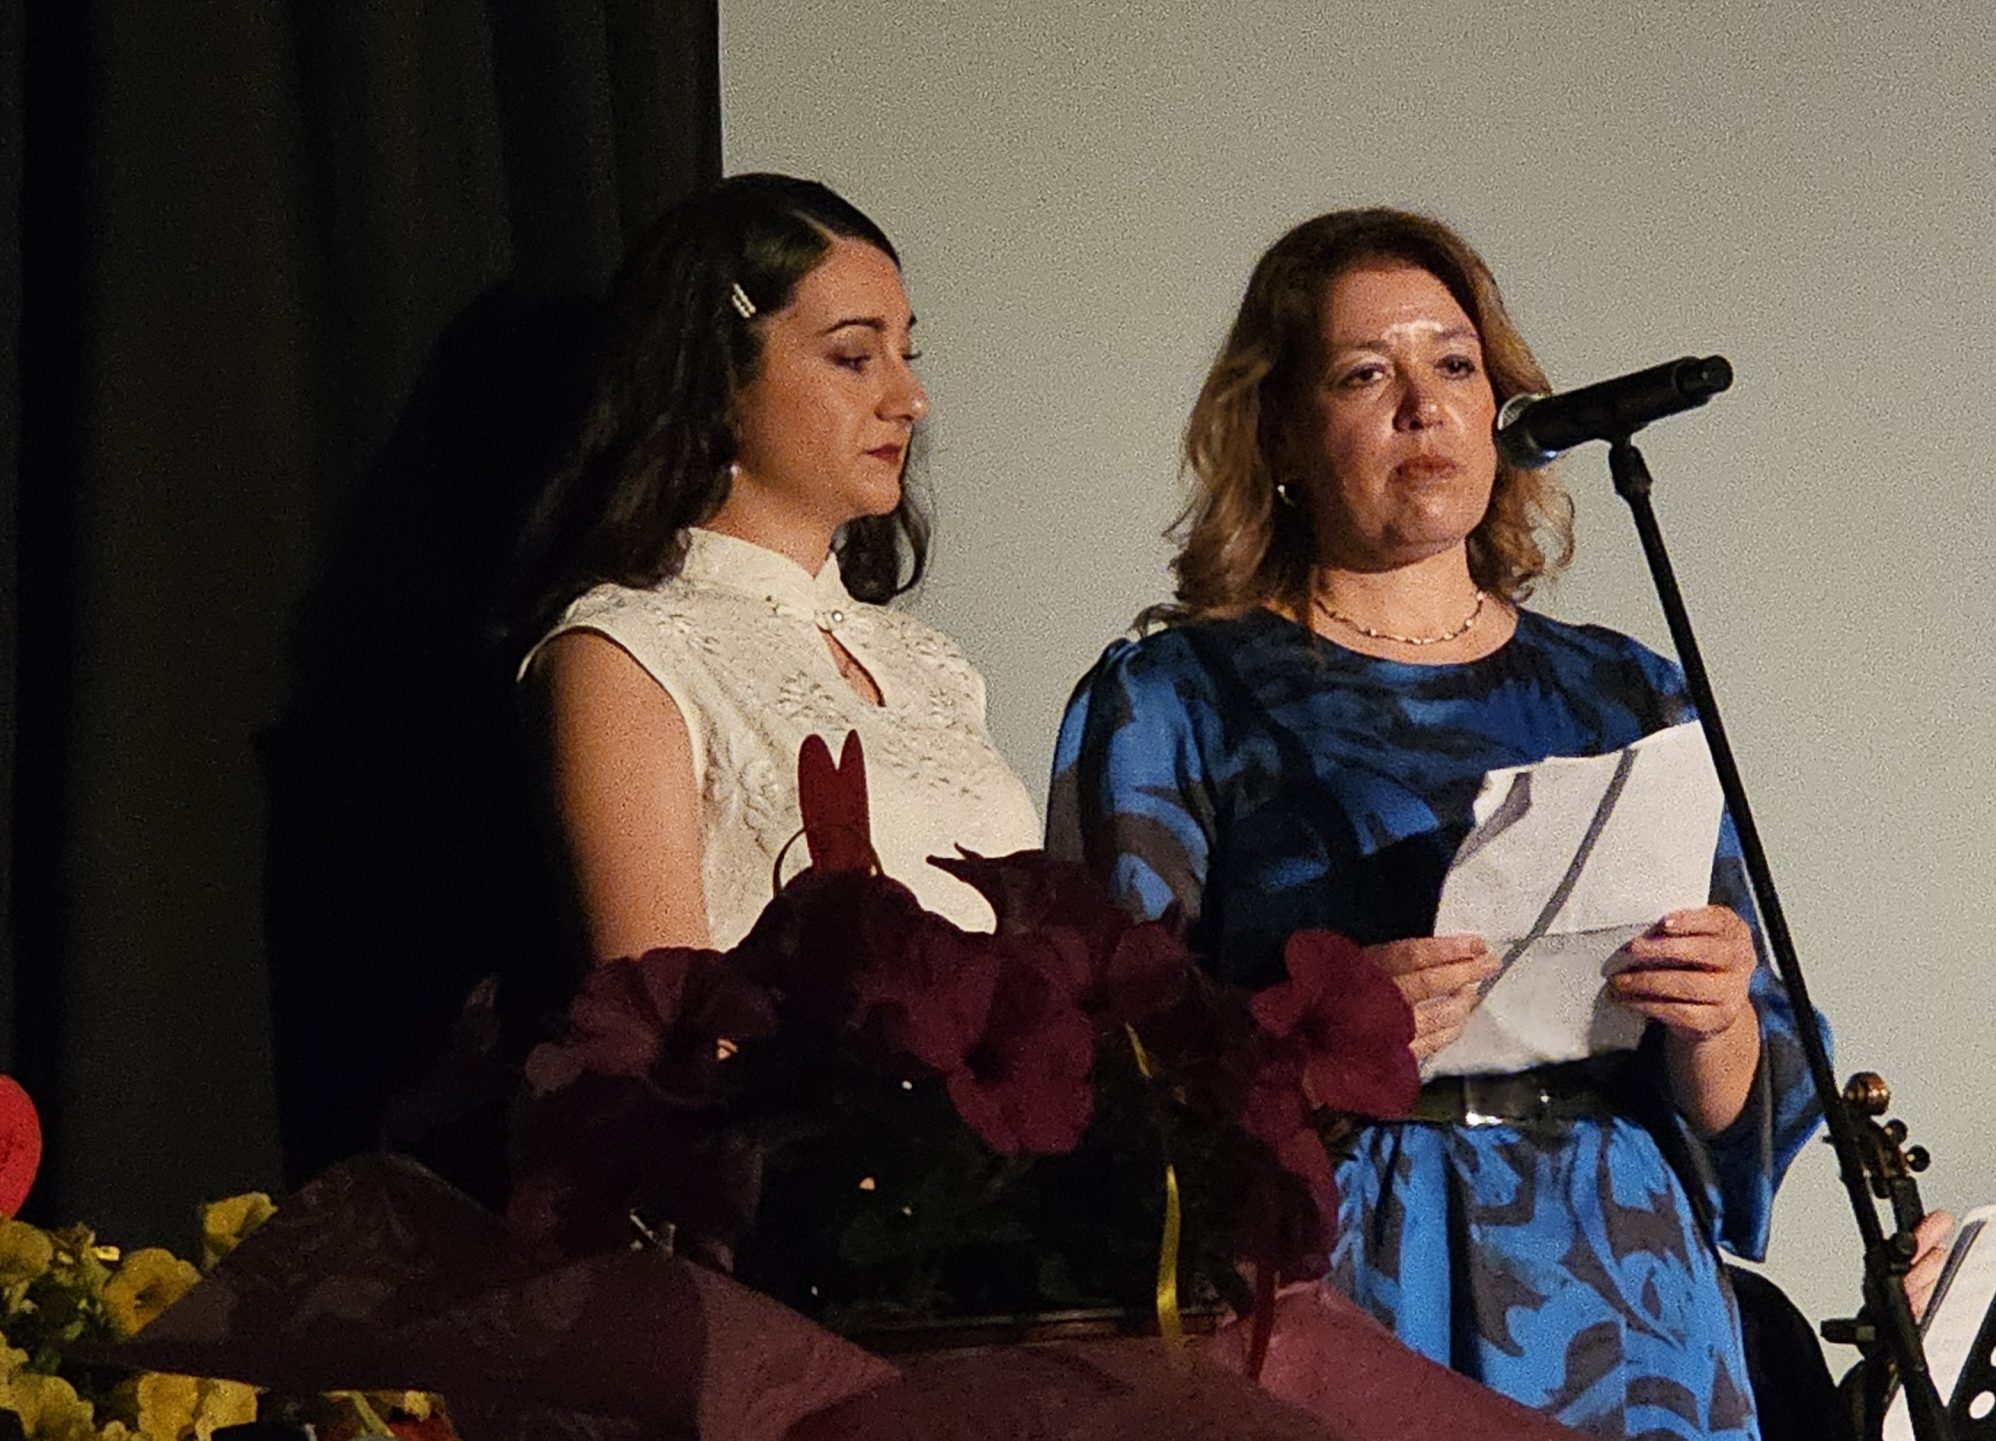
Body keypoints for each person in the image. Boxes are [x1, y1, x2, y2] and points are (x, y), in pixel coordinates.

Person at [1048, 208, 1822, 1441]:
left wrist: (1715, 1014)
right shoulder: (1179, 696)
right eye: (1367, 375)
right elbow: (1102, 1065)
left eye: (1455, 366)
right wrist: (1323, 1040)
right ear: (1280, 431)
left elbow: (1757, 1093)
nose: (1425, 407)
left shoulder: (1622, 691)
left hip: (1627, 1280)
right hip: (1354, 1264)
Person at [515, 173, 1039, 961]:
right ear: (721, 379)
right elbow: (659, 1005)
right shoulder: (629, 654)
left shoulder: (935, 666)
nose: (909, 398)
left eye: (906, 353)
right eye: (854, 357)